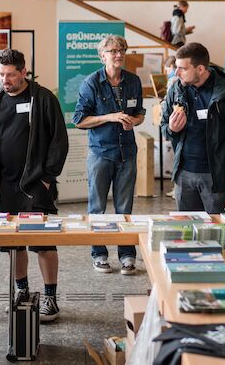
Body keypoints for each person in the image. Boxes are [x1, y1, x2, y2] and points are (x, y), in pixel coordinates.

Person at [0, 49, 69, 322]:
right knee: (14, 245)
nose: (5, 80)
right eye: (1, 75)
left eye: (10, 75)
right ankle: (22, 293)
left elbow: (59, 141)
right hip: (6, 187)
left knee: (44, 245)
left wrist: (47, 177)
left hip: (36, 186)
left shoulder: (43, 99)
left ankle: (51, 298)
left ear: (23, 72)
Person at [73, 35, 145, 275]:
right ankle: (99, 254)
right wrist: (110, 117)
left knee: (125, 208)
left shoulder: (133, 81)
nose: (119, 55)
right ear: (102, 55)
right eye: (113, 51)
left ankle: (126, 255)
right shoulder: (91, 83)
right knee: (97, 207)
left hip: (127, 152)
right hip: (101, 153)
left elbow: (140, 114)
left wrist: (131, 122)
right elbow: (79, 121)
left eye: (122, 50)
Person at [160, 42, 225, 214]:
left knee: (216, 234)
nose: (176, 73)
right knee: (186, 234)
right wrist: (172, 129)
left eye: (182, 68)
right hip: (184, 176)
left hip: (216, 178)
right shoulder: (176, 89)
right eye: (176, 67)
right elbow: (164, 126)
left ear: (200, 69)